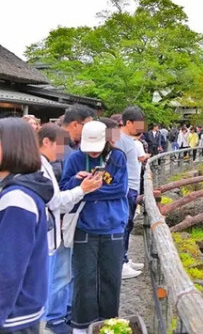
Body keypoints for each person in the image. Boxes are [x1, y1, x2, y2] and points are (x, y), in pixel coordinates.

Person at [60, 121, 129, 333]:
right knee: (83, 279)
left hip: (113, 226)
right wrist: (77, 184)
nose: (92, 152)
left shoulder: (117, 157)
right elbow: (63, 188)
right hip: (84, 227)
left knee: (111, 278)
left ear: (106, 141)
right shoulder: (75, 158)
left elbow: (120, 189)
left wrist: (86, 190)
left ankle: (109, 324)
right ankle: (81, 327)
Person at [39, 124, 104, 334]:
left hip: (53, 229)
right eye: (60, 146)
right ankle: (54, 318)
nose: (62, 152)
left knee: (63, 274)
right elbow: (56, 201)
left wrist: (77, 184)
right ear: (46, 142)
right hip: (49, 230)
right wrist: (81, 189)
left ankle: (60, 314)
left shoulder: (45, 163)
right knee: (58, 275)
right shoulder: (40, 166)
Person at [0, 119, 55, 334]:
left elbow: (8, 270)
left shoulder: (17, 198)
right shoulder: (18, 187)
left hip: (12, 315)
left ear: (14, 146)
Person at [113, 107, 146, 280]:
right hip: (127, 189)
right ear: (128, 123)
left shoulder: (128, 139)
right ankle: (120, 264)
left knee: (129, 224)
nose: (140, 128)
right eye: (138, 124)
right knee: (124, 225)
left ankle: (124, 258)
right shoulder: (120, 140)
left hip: (132, 187)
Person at [55, 105, 95, 182]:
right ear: (75, 125)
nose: (90, 131)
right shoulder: (58, 143)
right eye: (88, 127)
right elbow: (58, 175)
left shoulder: (76, 144)